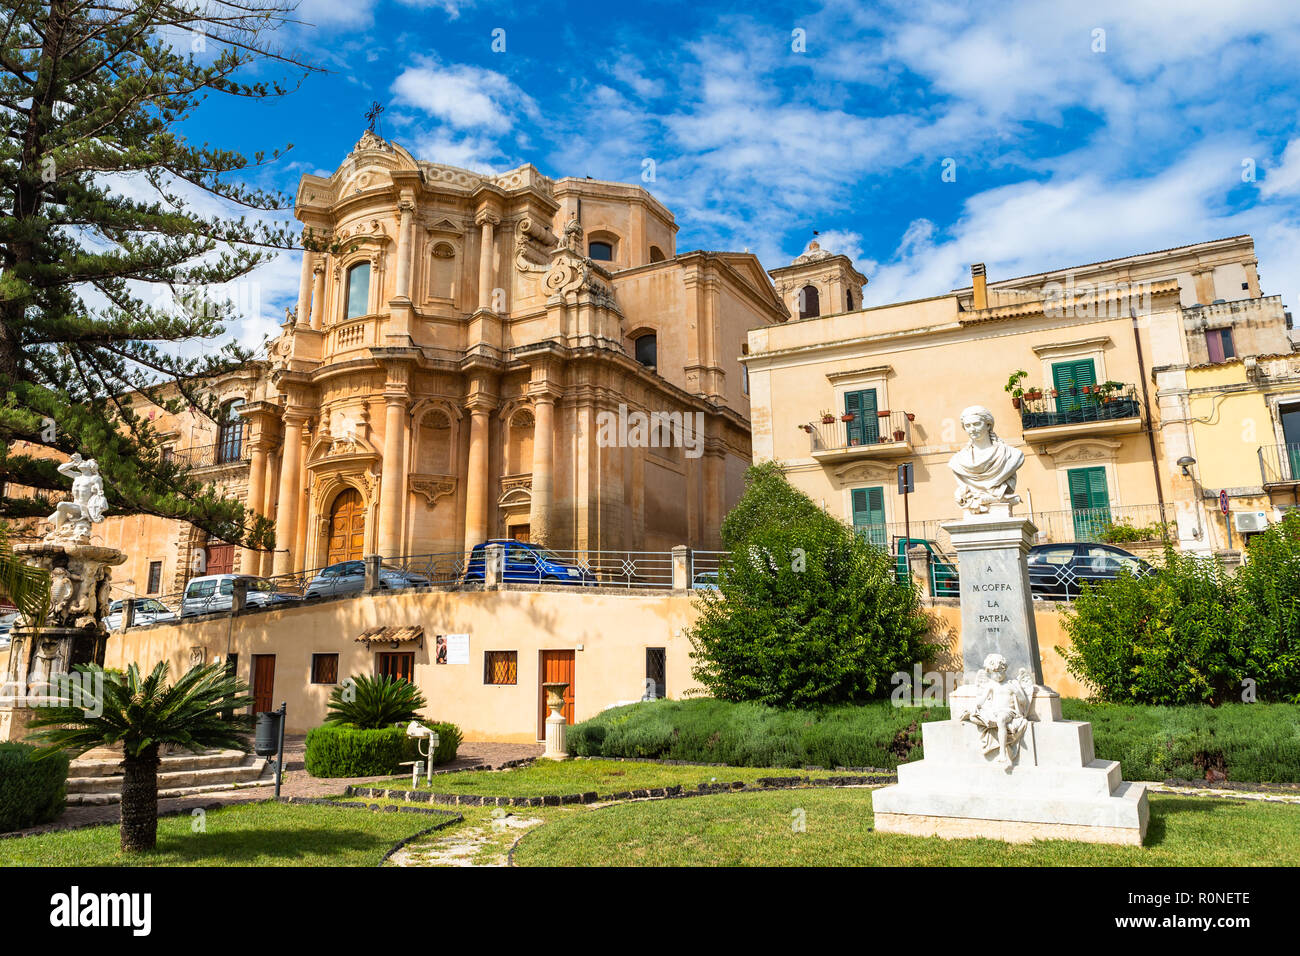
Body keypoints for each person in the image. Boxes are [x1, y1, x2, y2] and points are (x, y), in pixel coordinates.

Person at [948, 405, 1024, 514]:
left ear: (988, 425)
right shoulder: (957, 461)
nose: (972, 429)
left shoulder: (1012, 455)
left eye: (977, 424)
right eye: (967, 426)